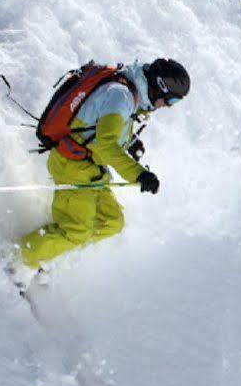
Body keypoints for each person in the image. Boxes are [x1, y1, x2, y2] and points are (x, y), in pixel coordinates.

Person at [13, 57, 190, 274]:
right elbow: (106, 145)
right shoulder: (121, 96)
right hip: (73, 165)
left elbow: (99, 126)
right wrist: (139, 175)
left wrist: (131, 142)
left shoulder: (129, 94)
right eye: (171, 101)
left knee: (111, 222)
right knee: (76, 230)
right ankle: (16, 262)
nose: (168, 107)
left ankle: (50, 257)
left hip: (91, 168)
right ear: (159, 88)